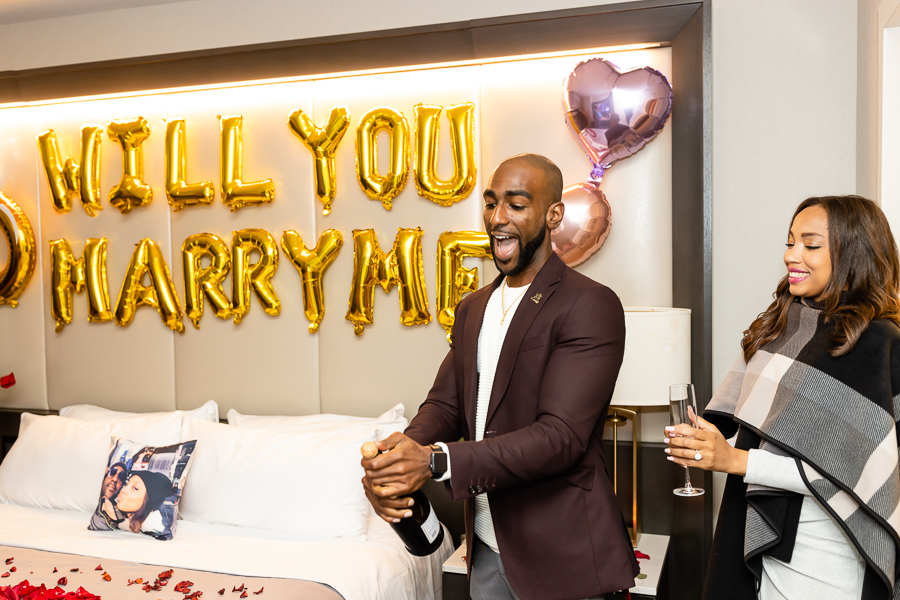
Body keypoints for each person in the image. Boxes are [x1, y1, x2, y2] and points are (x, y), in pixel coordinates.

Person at [362, 154, 638, 600]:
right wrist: (402, 454)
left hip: (563, 557)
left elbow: (560, 437)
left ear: (553, 215)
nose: (497, 218)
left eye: (516, 204)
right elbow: (446, 404)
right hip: (488, 549)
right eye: (491, 204)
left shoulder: (589, 304)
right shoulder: (473, 307)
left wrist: (434, 461)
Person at [665, 195, 900, 600]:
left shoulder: (878, 341)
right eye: (790, 242)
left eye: (810, 245)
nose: (792, 255)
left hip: (830, 552)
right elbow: (764, 428)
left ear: (853, 254)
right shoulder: (784, 325)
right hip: (766, 539)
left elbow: (855, 472)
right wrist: (709, 442)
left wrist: (734, 460)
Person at [94, 470, 173, 535]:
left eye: (135, 488)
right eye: (126, 484)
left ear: (149, 499)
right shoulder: (115, 517)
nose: (123, 490)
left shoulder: (155, 526)